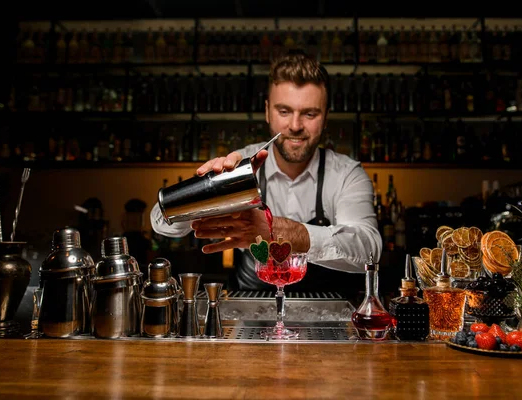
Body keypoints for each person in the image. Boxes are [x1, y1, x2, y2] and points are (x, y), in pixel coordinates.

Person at [150, 52, 381, 295]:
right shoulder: (239, 165)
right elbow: (160, 224)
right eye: (284, 111)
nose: (295, 125)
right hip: (251, 309)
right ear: (268, 111)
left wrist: (277, 231)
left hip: (327, 313)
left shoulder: (346, 173)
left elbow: (370, 250)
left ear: (325, 117)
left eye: (310, 114)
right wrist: (206, 191)